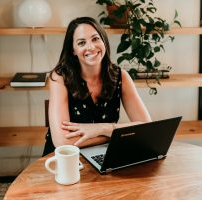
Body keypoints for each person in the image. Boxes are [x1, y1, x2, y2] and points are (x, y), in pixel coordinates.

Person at [42, 17, 151, 156]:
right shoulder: (60, 77)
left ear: (103, 41)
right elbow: (62, 142)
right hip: (63, 159)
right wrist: (113, 134)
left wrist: (102, 128)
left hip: (104, 156)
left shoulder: (121, 76)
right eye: (81, 43)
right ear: (73, 50)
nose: (91, 47)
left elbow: (146, 128)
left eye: (95, 39)